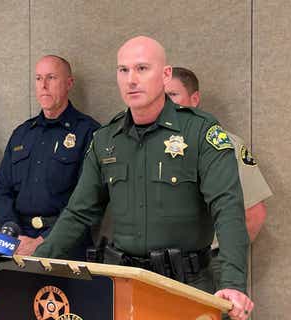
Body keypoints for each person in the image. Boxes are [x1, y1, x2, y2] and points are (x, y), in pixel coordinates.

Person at [34, 36, 254, 319]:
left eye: (142, 68)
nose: (131, 79)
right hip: (126, 286)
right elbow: (78, 213)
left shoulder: (200, 132)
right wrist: (36, 262)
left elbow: (228, 208)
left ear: (164, 75)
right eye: (123, 70)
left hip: (187, 286)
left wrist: (233, 284)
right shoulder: (105, 140)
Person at [165, 67, 272, 290]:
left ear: (194, 99)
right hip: (157, 271)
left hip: (207, 267)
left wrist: (223, 261)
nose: (165, 103)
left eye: (172, 95)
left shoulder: (224, 145)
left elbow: (254, 214)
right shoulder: (145, 148)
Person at [0, 55, 100, 259]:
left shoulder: (89, 132)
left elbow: (87, 200)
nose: (43, 85)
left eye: (51, 78)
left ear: (69, 83)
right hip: (17, 244)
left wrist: (44, 241)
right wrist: (13, 234)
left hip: (66, 246)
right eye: (38, 78)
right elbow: (2, 189)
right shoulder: (22, 133)